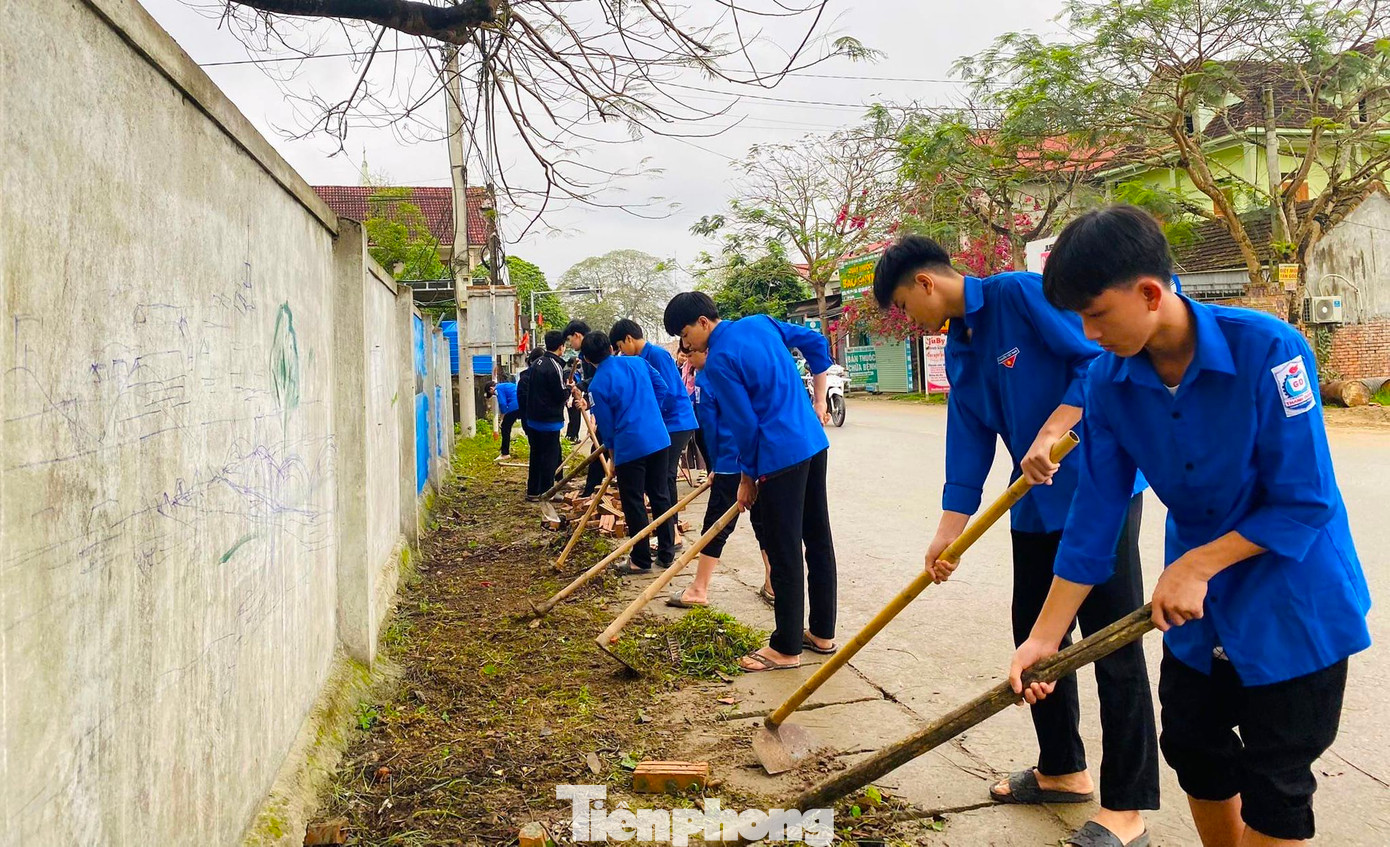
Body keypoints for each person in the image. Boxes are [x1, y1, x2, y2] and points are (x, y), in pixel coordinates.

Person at [1009, 206, 1370, 847]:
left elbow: (1305, 500)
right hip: (1195, 616)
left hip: (1292, 601)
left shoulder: (1270, 351)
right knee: (1194, 747)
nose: (1088, 334)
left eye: (1096, 314)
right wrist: (1046, 637)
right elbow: (1094, 519)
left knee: (1278, 776)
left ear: (1150, 293)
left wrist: (1198, 564)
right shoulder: (1108, 382)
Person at [872, 234, 1158, 847]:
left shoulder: (1021, 294)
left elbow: (1096, 361)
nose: (908, 319)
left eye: (902, 304)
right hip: (1030, 502)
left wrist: (1056, 425)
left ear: (925, 283)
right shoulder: (959, 347)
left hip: (1097, 488)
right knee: (1035, 644)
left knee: (1111, 646)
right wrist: (949, 531)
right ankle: (1062, 769)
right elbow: (969, 436)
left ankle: (1128, 808)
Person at [663, 292, 836, 672]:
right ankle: (822, 633)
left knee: (784, 547)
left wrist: (747, 478)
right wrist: (818, 401)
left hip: (779, 457)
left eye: (684, 333)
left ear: (704, 323)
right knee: (818, 538)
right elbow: (816, 342)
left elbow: (745, 426)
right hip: (812, 442)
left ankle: (786, 647)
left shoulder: (719, 361)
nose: (684, 343)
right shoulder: (761, 322)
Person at [666, 344, 773, 608]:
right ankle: (773, 584)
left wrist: (714, 464)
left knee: (716, 525)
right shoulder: (738, 369)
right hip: (758, 460)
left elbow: (709, 428)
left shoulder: (705, 378)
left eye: (691, 353)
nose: (689, 360)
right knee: (764, 523)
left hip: (729, 461)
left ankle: (699, 588)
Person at [580, 330, 676, 574]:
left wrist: (613, 457)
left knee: (633, 501)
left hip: (630, 445)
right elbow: (662, 388)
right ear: (611, 348)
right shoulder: (638, 363)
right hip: (658, 438)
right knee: (660, 495)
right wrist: (650, 411)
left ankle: (641, 559)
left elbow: (607, 428)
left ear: (588, 359)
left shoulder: (598, 384)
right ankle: (667, 552)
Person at [610, 319, 700, 540]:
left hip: (676, 421)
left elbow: (667, 391)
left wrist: (648, 414)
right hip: (662, 422)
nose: (622, 353)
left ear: (629, 339)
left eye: (621, 347)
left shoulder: (656, 355)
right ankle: (667, 523)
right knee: (659, 476)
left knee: (666, 475)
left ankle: (672, 527)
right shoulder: (638, 359)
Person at [523, 331, 568, 499]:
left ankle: (533, 490)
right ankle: (547, 491)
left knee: (536, 455)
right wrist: (569, 390)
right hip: (549, 420)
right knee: (550, 456)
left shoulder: (536, 363)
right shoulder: (554, 365)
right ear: (561, 347)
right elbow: (559, 394)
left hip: (534, 418)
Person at [564, 320, 605, 496]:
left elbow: (600, 377)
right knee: (599, 452)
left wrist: (581, 386)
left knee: (598, 452)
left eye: (570, 340)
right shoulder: (584, 355)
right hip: (600, 408)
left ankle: (591, 490)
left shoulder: (591, 351)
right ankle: (593, 488)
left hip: (608, 410)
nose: (570, 345)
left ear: (577, 336)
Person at [495, 374, 520, 461]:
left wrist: (502, 418)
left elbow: (503, 404)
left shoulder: (497, 388)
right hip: (523, 403)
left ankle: (505, 453)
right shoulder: (508, 385)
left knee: (505, 427)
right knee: (529, 427)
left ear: (491, 388)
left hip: (514, 406)